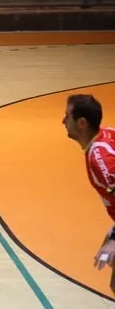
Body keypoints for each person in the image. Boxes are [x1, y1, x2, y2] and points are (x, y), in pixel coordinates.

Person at [63, 94, 115, 293]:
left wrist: (114, 239)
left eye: (67, 116)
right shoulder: (107, 134)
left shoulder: (100, 160)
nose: (63, 121)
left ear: (82, 123)